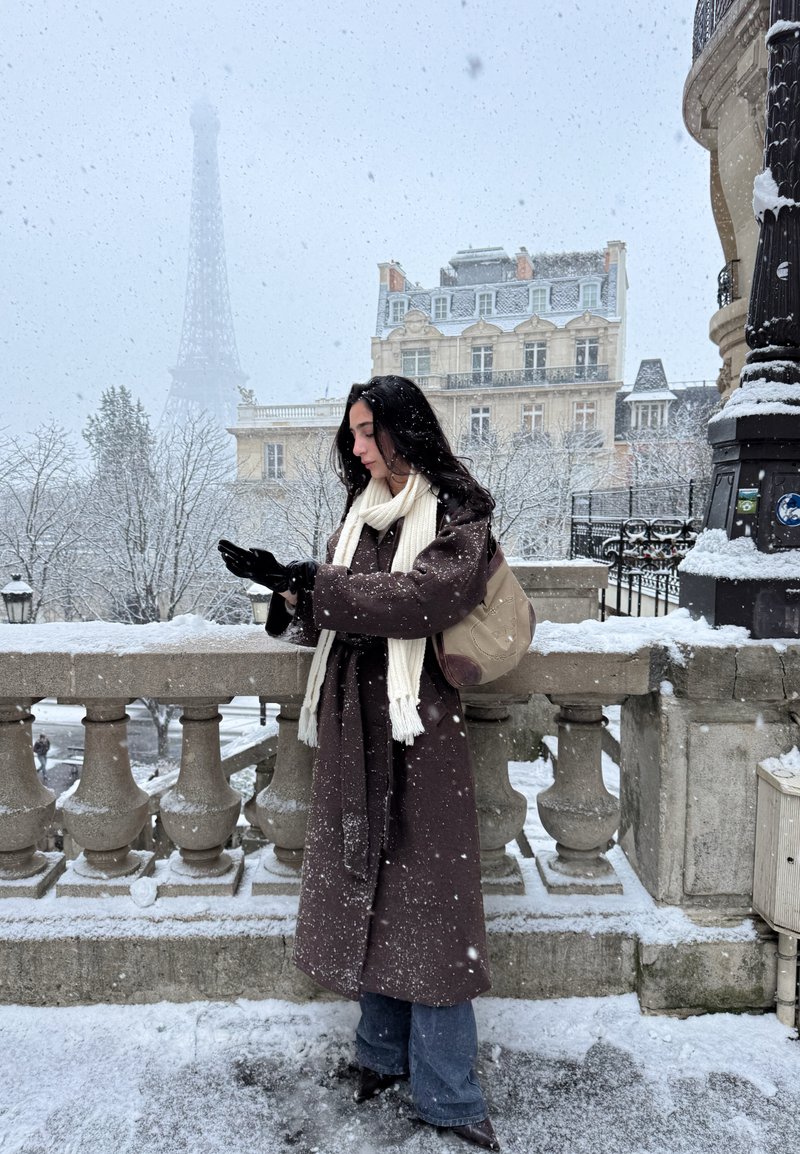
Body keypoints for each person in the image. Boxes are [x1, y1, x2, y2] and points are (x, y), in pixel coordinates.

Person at [218, 375, 500, 1151]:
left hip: (421, 732)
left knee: (432, 911)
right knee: (365, 884)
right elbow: (345, 608)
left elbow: (421, 598)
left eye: (369, 429)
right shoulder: (364, 510)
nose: (357, 444)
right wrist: (288, 588)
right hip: (352, 725)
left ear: (406, 430)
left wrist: (319, 584)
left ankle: (448, 1093)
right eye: (353, 432)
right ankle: (380, 1056)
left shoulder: (460, 511)